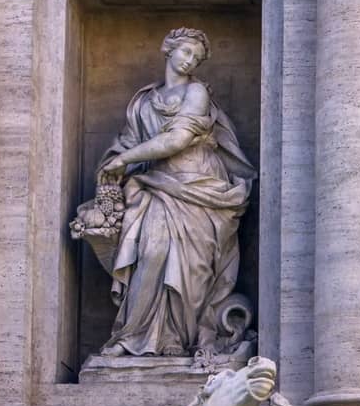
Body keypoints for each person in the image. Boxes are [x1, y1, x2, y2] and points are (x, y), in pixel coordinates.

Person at [96, 27, 255, 357]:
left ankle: (175, 341)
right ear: (168, 48)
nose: (190, 60)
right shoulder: (142, 102)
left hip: (199, 187)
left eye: (196, 57)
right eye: (186, 52)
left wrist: (126, 159)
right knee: (152, 253)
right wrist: (114, 163)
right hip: (157, 187)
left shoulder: (196, 93)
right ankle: (135, 336)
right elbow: (128, 141)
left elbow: (177, 140)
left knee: (192, 269)